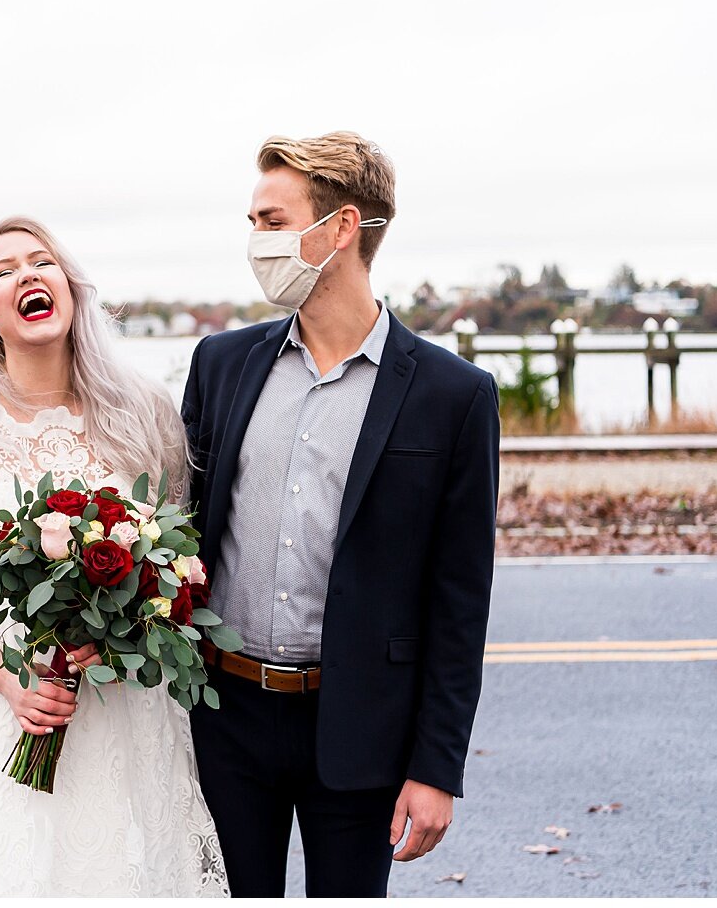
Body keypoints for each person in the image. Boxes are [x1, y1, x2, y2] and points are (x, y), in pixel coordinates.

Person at [181, 131, 500, 897]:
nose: (256, 240)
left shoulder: (453, 397)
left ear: (341, 228)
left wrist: (436, 767)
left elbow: (461, 602)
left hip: (362, 728)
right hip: (226, 719)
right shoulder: (221, 365)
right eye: (253, 221)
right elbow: (180, 532)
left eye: (271, 219)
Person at [0, 216, 228, 896]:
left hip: (126, 708)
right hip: (1, 708)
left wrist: (126, 630)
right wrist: (9, 678)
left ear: (71, 289)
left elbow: (177, 560)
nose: (28, 275)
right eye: (4, 270)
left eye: (41, 262)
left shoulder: (146, 414)